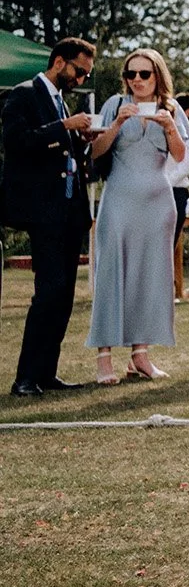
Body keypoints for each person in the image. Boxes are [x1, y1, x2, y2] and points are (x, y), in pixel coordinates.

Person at [83, 50, 189, 383]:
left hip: (158, 204)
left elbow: (180, 155)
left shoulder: (170, 108)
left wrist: (170, 127)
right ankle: (104, 358)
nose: (137, 80)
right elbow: (95, 152)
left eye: (145, 74)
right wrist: (116, 124)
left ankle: (140, 355)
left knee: (150, 277)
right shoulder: (115, 104)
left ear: (158, 75)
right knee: (111, 272)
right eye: (131, 74)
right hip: (118, 200)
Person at [5, 37, 96, 397]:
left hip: (68, 211)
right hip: (42, 211)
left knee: (64, 295)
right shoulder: (24, 94)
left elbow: (64, 155)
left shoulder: (61, 102)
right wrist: (64, 126)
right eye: (79, 71)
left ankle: (47, 373)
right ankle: (25, 377)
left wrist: (82, 139)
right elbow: (16, 142)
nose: (81, 79)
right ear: (59, 62)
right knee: (48, 292)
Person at [167, 91, 189, 291]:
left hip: (175, 190)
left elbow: (184, 167)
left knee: (169, 243)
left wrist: (163, 183)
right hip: (155, 190)